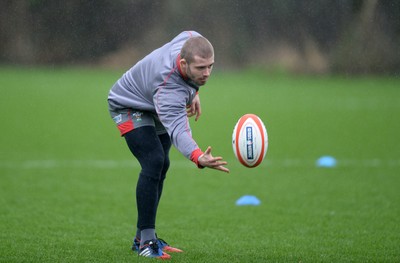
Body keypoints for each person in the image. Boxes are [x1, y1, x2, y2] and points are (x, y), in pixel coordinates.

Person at [107, 31, 229, 260]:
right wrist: (198, 156)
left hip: (152, 101)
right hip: (128, 104)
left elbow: (190, 33)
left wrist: (194, 91)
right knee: (153, 161)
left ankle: (141, 238)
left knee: (162, 164)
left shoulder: (191, 40)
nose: (207, 73)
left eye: (210, 66)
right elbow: (178, 131)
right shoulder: (168, 88)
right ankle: (147, 242)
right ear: (183, 63)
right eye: (200, 69)